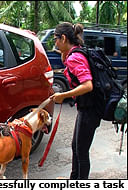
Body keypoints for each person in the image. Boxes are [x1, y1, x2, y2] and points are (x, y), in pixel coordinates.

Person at [50, 22, 101, 179]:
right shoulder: (75, 53)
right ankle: (74, 180)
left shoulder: (75, 57)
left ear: (63, 38)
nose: (55, 43)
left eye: (55, 39)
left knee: (82, 151)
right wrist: (63, 55)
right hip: (86, 107)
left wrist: (62, 95)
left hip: (90, 109)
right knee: (76, 147)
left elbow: (88, 85)